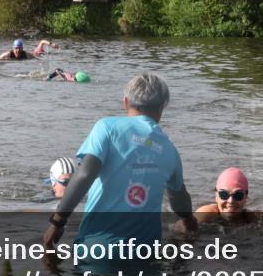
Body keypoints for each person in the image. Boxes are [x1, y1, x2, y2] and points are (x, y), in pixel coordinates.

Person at [43, 72, 199, 257]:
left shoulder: (107, 128)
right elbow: (178, 197)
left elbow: (85, 174)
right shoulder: (170, 150)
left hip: (98, 249)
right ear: (163, 106)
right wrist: (189, 221)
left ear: (125, 101)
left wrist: (58, 221)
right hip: (146, 254)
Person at [194, 167, 263, 228]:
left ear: (246, 197)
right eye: (224, 195)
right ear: (216, 196)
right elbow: (182, 228)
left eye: (238, 195)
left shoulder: (257, 217)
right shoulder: (205, 214)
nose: (231, 201)